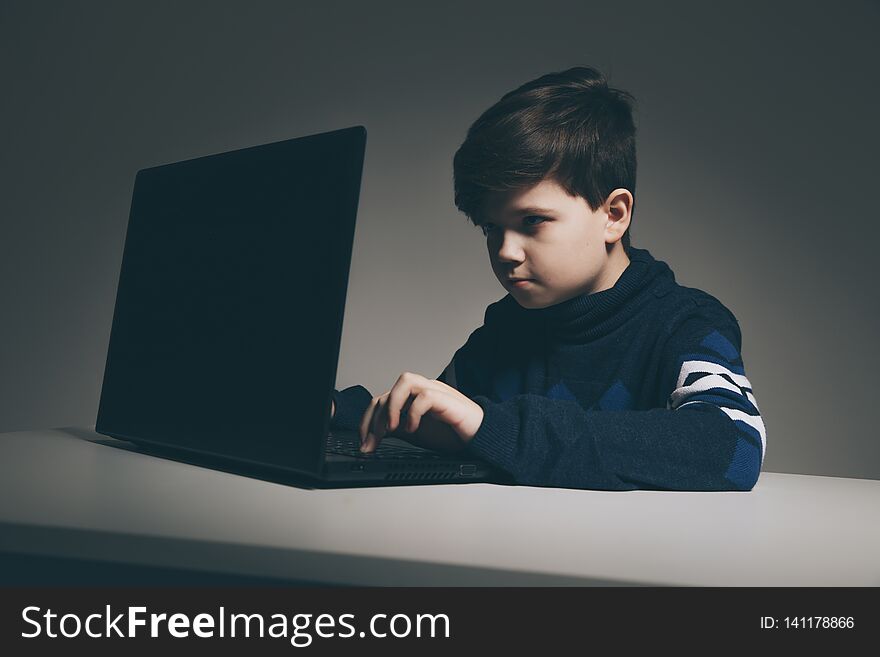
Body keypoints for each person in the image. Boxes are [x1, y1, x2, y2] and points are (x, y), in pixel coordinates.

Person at [329, 66, 766, 491]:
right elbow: (434, 417)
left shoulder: (685, 322)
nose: (504, 251)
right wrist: (332, 411)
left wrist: (491, 427)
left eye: (533, 221)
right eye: (491, 228)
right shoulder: (507, 327)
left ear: (613, 216)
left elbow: (732, 447)